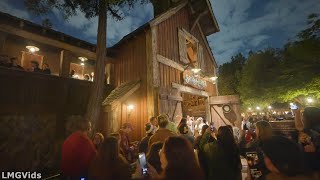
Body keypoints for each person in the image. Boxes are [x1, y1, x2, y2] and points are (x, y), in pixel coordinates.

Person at [294, 107, 320, 172]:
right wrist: (297, 112)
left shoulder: (310, 131)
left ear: (308, 118)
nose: (302, 118)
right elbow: (299, 126)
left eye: (303, 115)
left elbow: (299, 126)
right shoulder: (310, 129)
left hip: (314, 164)